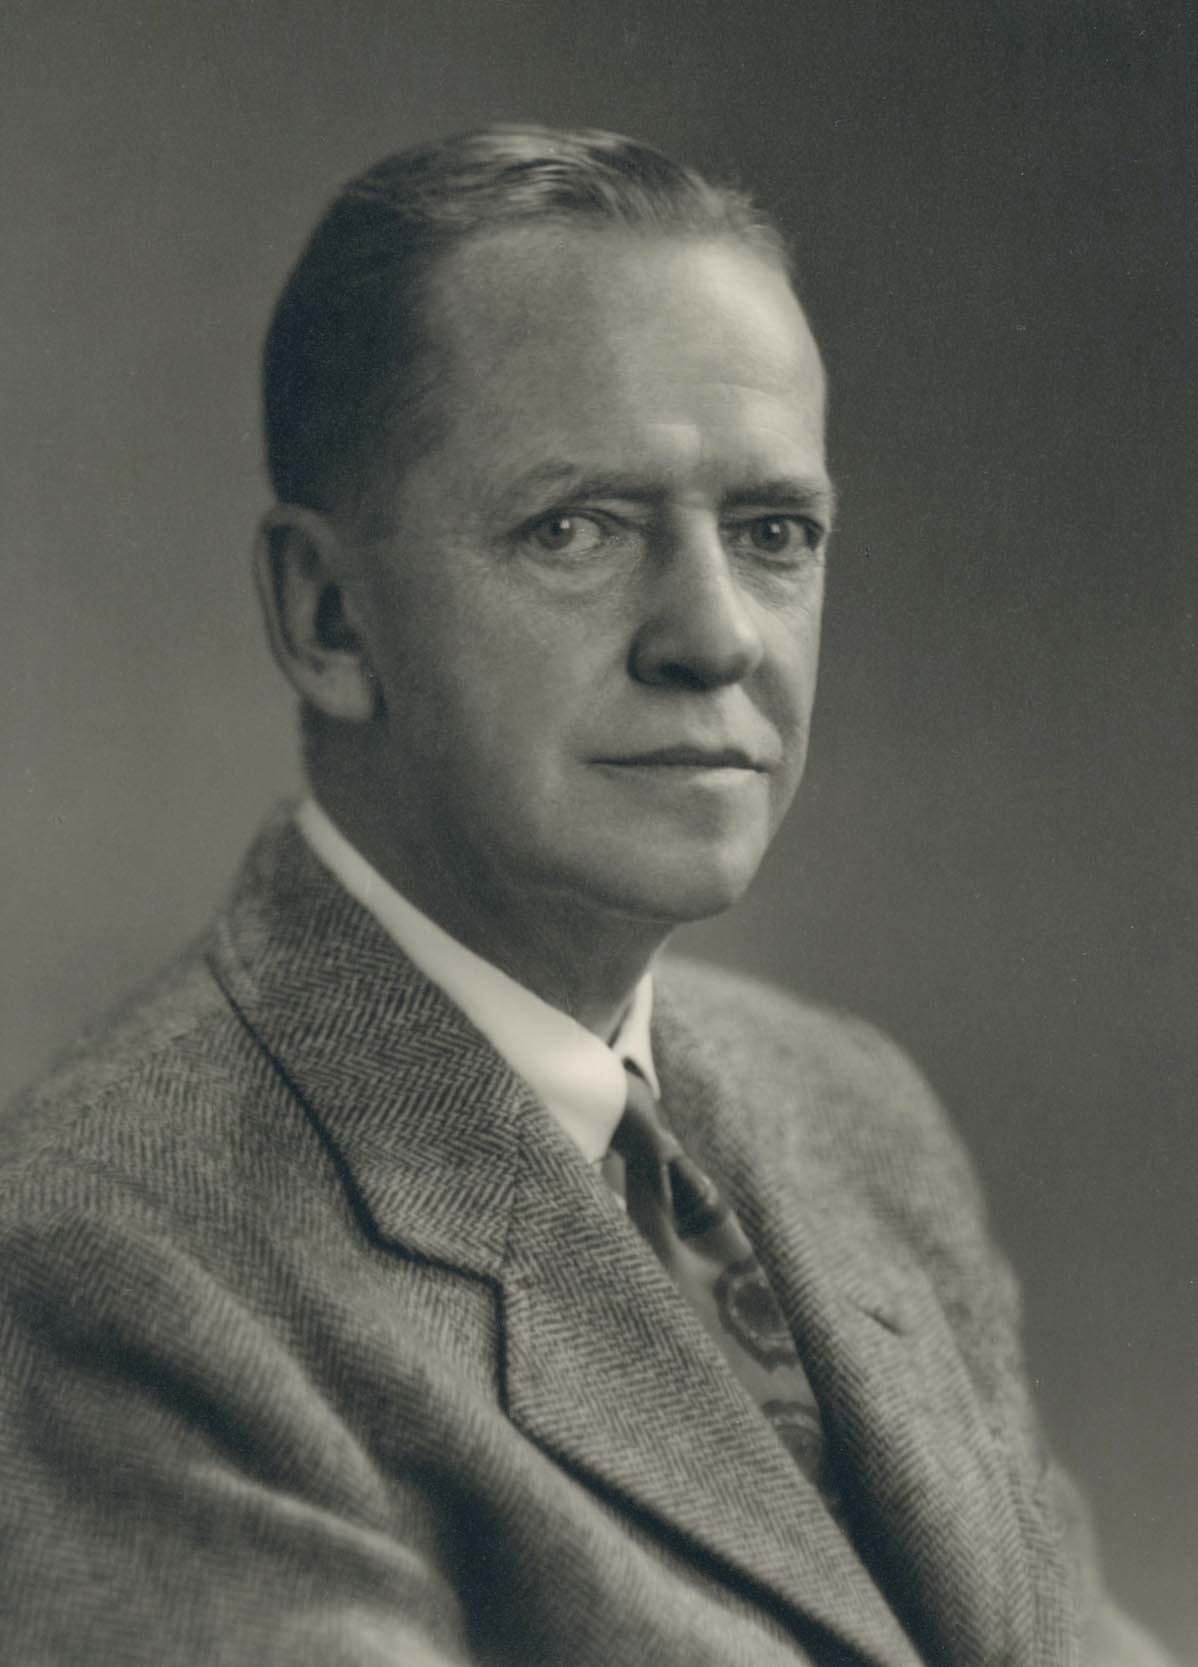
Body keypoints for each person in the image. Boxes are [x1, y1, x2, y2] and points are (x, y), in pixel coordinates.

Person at [0, 124, 1173, 1667]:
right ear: (328, 615)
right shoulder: (117, 1268)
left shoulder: (848, 1113)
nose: (715, 636)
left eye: (772, 534)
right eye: (576, 529)